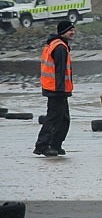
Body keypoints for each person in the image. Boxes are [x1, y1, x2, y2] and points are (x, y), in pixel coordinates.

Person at [33, 20, 76, 157]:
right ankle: (43, 146)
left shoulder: (55, 44)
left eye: (73, 29)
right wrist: (60, 90)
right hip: (57, 90)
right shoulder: (60, 48)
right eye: (70, 30)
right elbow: (60, 71)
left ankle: (56, 145)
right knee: (54, 118)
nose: (73, 32)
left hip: (54, 88)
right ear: (63, 32)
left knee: (63, 119)